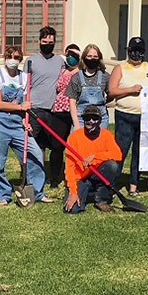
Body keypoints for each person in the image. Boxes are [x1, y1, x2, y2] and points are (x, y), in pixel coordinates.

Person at [0, 47, 49, 206]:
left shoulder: (25, 77)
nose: (12, 59)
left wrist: (24, 121)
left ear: (20, 60)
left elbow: (25, 104)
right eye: (9, 56)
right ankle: (3, 195)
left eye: (16, 57)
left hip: (17, 124)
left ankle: (37, 192)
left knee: (36, 155)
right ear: (5, 58)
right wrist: (21, 108)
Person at [108, 36, 148, 196]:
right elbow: (112, 91)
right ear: (128, 51)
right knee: (120, 152)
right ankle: (112, 184)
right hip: (125, 116)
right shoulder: (120, 68)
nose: (136, 55)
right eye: (133, 51)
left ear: (143, 52)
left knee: (139, 151)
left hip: (145, 117)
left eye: (139, 51)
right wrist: (130, 90)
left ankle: (134, 185)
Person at [63, 105, 122, 214]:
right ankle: (88, 192)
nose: (90, 121)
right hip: (80, 178)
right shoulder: (74, 137)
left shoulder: (106, 135)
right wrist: (72, 191)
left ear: (100, 120)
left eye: (94, 118)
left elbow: (118, 154)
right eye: (87, 118)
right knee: (73, 210)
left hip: (97, 174)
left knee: (112, 165)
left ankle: (101, 199)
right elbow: (69, 168)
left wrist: (94, 156)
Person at [46, 44, 81, 189]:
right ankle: (55, 177)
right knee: (57, 146)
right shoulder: (62, 71)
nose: (70, 58)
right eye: (68, 55)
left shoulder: (82, 72)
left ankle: (76, 176)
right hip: (59, 110)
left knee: (75, 146)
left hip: (75, 110)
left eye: (73, 55)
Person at [28, 26, 65, 159]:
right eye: (44, 42)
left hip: (52, 110)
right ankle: (33, 173)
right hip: (34, 109)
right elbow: (25, 85)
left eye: (51, 43)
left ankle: (50, 172)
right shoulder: (31, 61)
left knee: (52, 144)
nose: (47, 45)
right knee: (33, 144)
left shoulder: (60, 61)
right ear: (39, 42)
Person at [67, 43, 110, 129]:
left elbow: (111, 93)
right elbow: (72, 102)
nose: (92, 59)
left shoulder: (105, 76)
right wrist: (76, 125)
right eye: (89, 56)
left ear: (99, 58)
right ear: (84, 58)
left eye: (95, 57)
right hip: (81, 119)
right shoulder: (76, 77)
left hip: (100, 119)